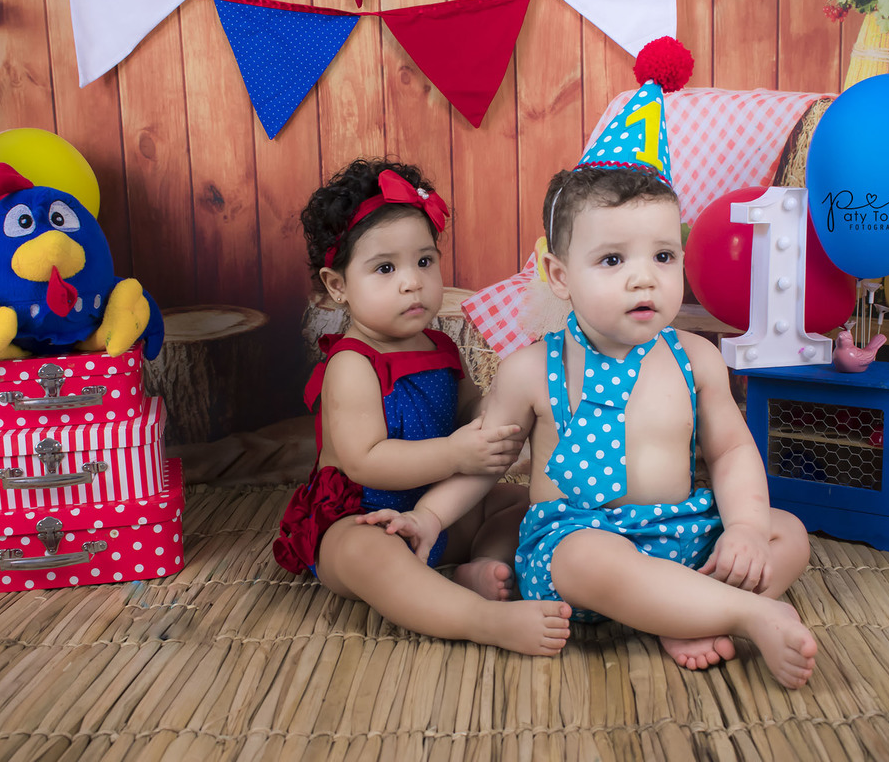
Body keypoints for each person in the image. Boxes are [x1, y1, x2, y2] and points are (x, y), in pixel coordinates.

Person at [359, 83, 818, 689]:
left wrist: (746, 529)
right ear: (559, 275)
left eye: (662, 256)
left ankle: (680, 608)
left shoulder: (696, 359)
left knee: (789, 533)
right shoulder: (530, 369)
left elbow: (731, 451)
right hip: (579, 546)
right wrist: (426, 517)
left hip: (678, 530)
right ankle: (739, 611)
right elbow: (483, 464)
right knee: (584, 557)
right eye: (612, 260)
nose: (643, 279)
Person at [273, 158, 572, 656]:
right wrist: (456, 454)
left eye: (424, 262)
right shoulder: (352, 363)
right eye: (385, 268)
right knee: (368, 554)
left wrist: (506, 404)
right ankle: (480, 619)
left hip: (438, 511)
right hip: (365, 515)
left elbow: (469, 410)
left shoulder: (441, 346)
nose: (412, 281)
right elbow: (365, 460)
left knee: (527, 505)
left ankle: (483, 564)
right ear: (338, 285)